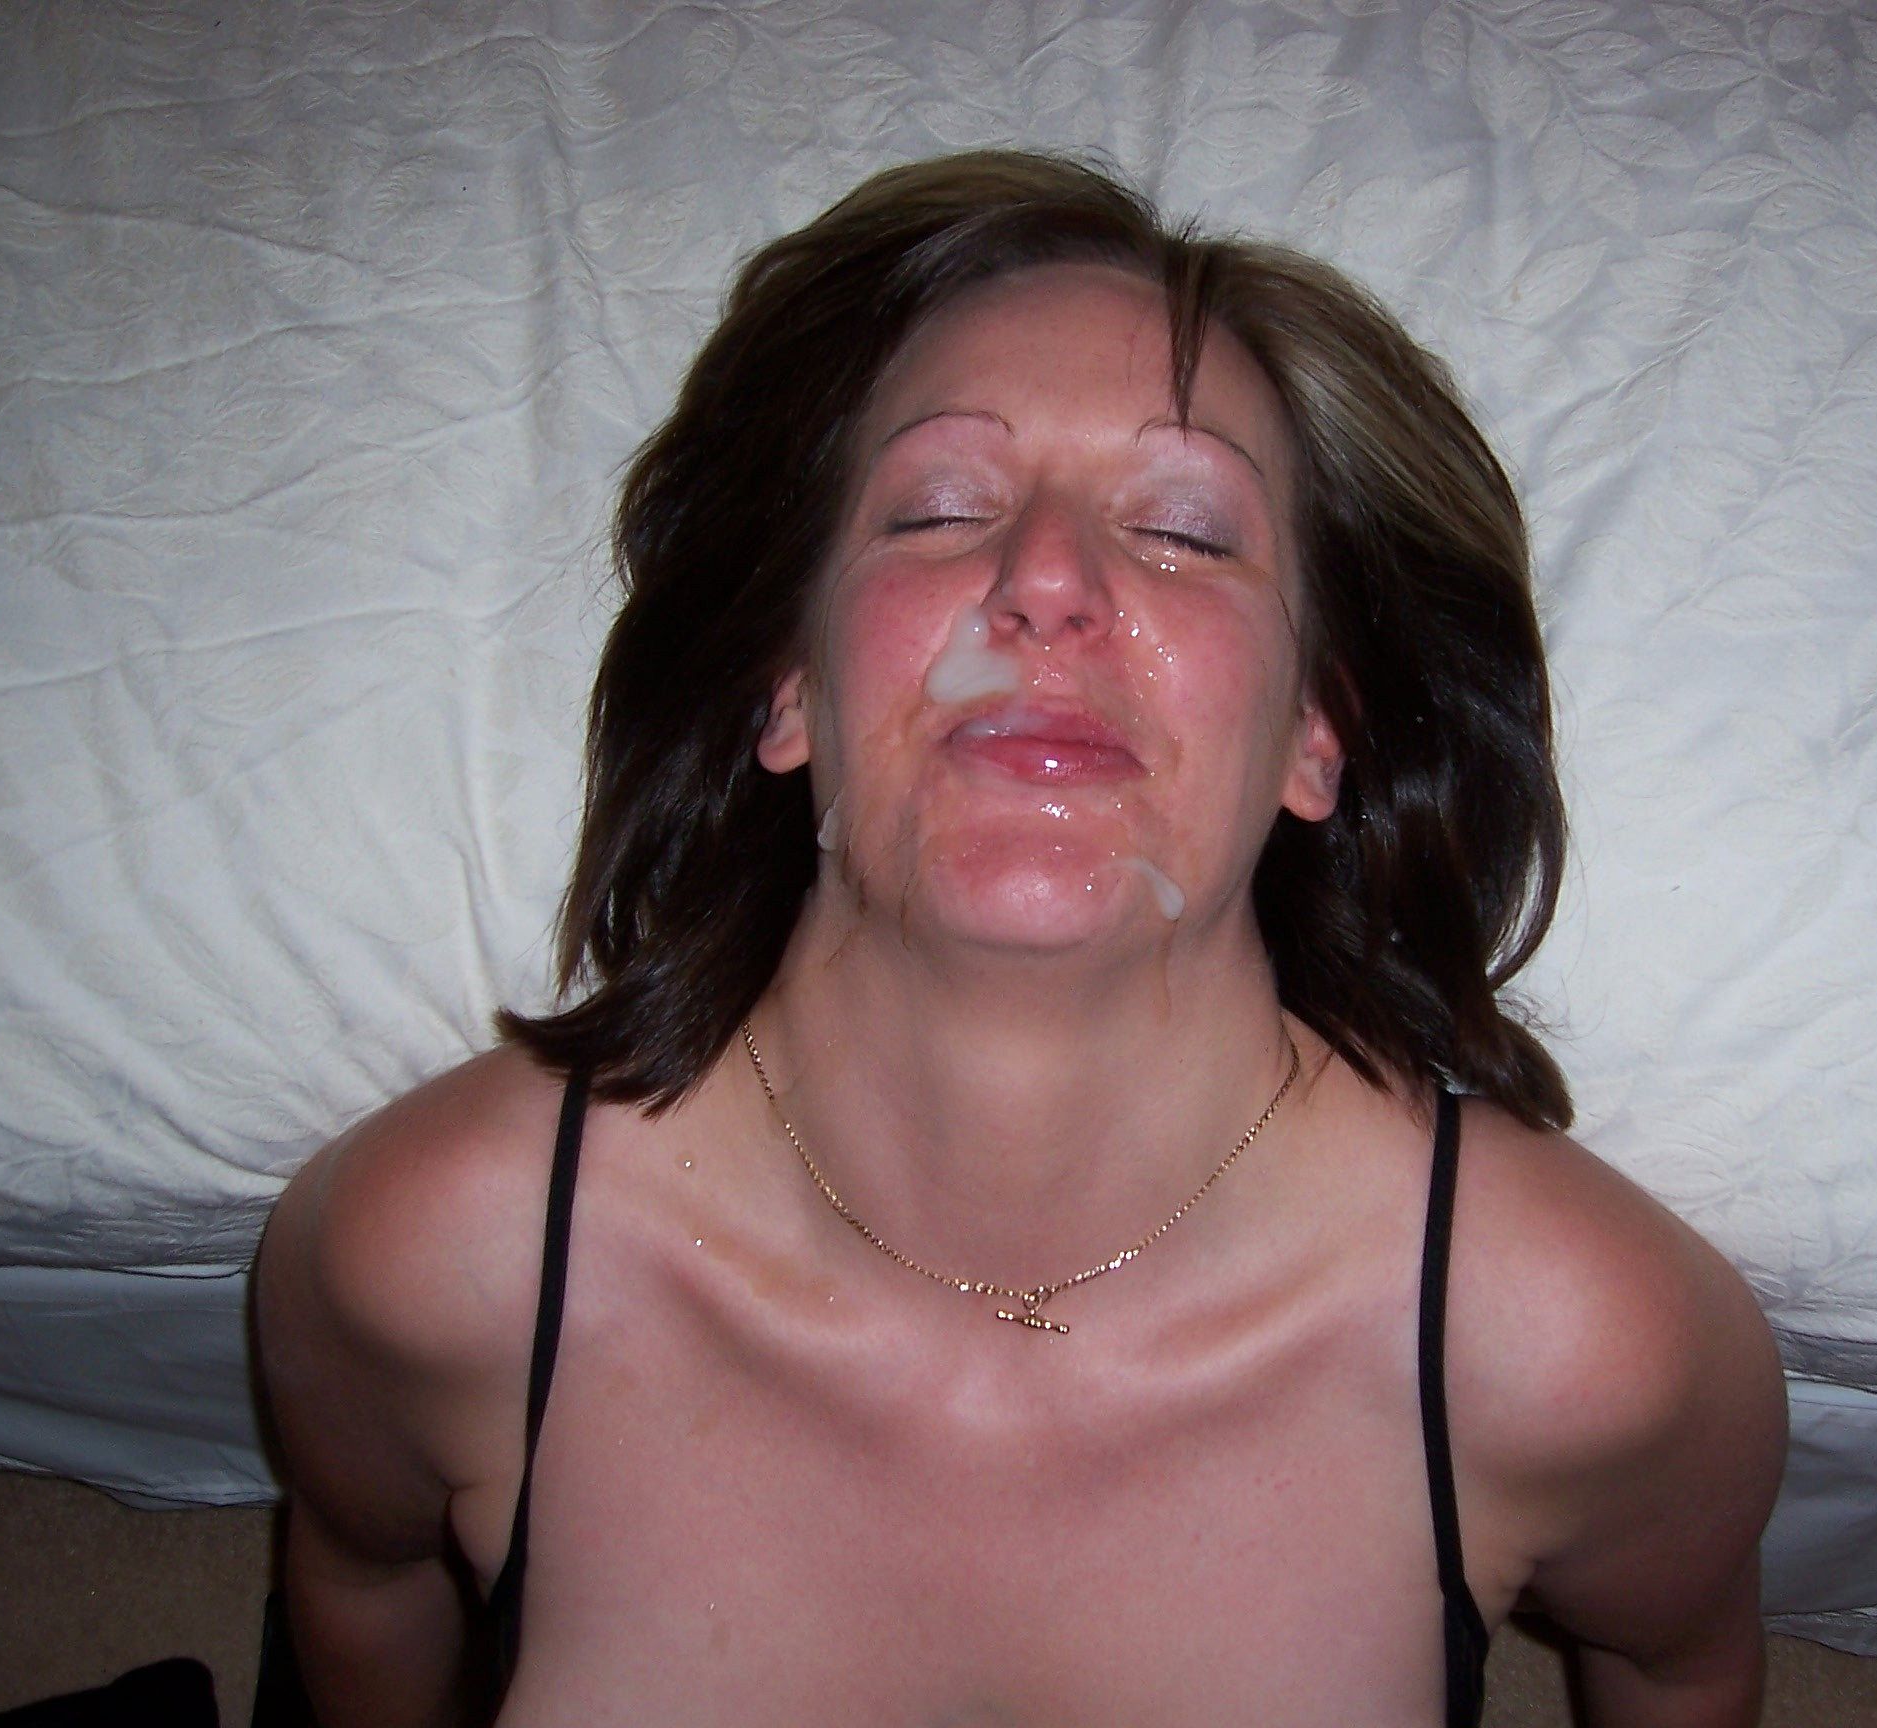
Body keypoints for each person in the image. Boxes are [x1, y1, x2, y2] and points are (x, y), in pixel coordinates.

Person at [255, 150, 1785, 1727]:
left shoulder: (1583, 1352)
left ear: (1315, 735)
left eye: (1186, 533)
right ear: (788, 689)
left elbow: (1678, 1667)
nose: (1045, 582)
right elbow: (358, 1593)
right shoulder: (439, 1257)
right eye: (938, 511)